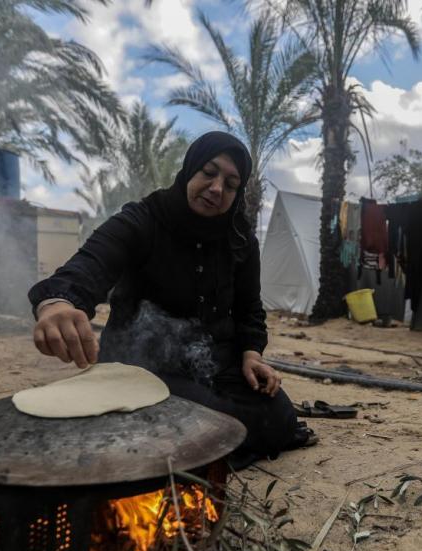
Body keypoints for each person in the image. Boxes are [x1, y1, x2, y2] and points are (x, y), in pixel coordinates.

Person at [27, 132, 314, 466]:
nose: (217, 189)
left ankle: (208, 439)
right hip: (143, 368)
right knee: (198, 415)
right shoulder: (143, 220)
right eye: (209, 172)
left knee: (278, 414)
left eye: (231, 184)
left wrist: (252, 355)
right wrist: (59, 301)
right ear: (190, 168)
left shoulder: (239, 239)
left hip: (216, 365)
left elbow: (249, 308)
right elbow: (93, 261)